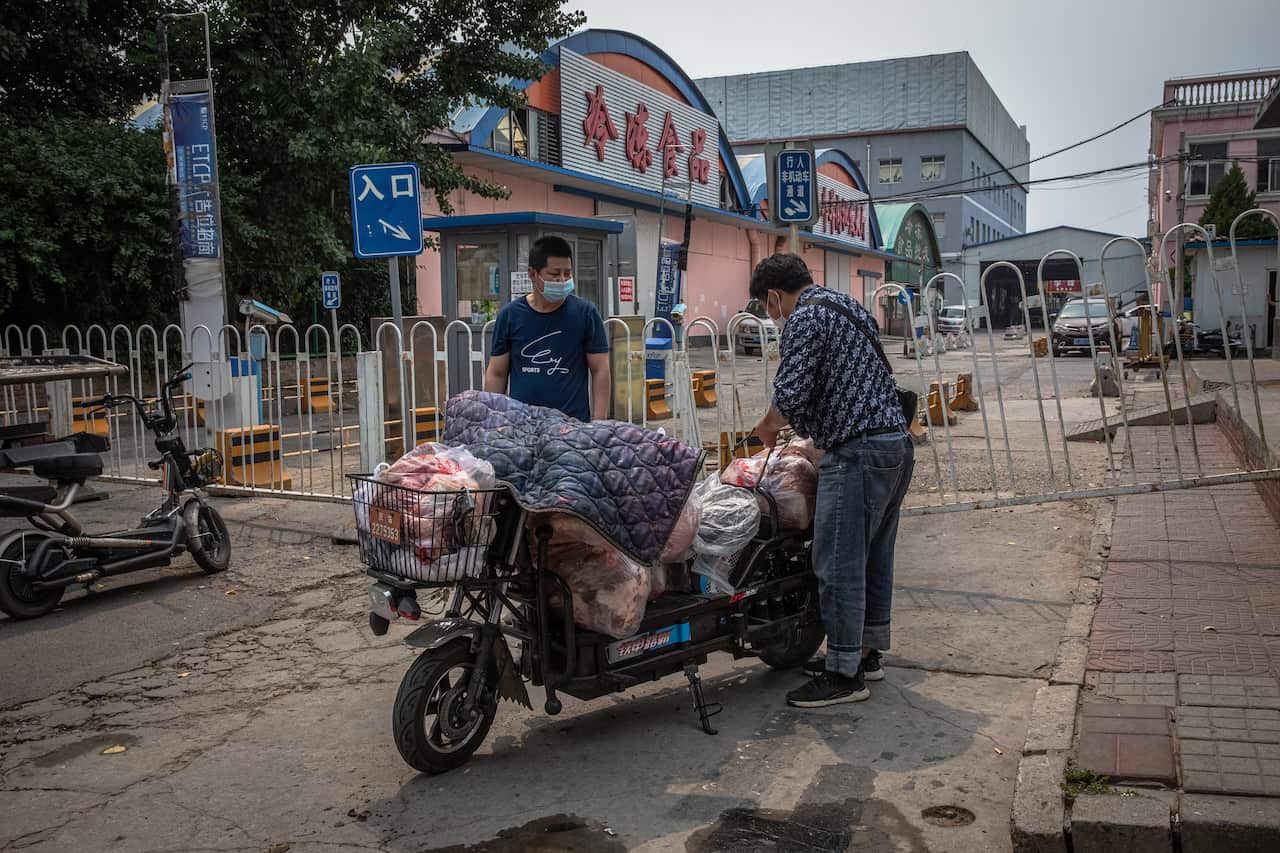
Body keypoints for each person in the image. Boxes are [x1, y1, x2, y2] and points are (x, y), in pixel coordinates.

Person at [749, 253, 914, 708]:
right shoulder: (847, 306)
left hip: (858, 451)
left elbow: (791, 393)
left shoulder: (804, 318)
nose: (771, 316)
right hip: (895, 445)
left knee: (838, 562)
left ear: (774, 296)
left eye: (767, 307)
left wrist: (766, 427)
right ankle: (865, 652)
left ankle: (843, 674)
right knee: (873, 556)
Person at [484, 236, 611, 421]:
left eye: (567, 273)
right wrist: (493, 420)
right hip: (522, 427)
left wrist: (599, 422)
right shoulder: (510, 315)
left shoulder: (585, 313)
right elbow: (497, 373)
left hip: (572, 429)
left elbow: (600, 369)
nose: (562, 280)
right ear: (533, 274)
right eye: (554, 273)